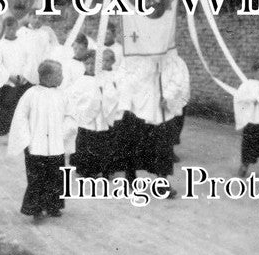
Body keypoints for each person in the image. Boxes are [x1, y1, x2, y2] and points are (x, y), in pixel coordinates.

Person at [7, 60, 77, 220]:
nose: (62, 77)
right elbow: (20, 118)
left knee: (56, 176)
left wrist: (64, 132)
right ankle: (35, 208)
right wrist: (26, 139)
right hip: (35, 145)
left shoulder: (63, 94)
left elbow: (70, 116)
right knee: (37, 177)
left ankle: (53, 206)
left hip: (56, 143)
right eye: (59, 74)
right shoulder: (31, 94)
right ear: (48, 76)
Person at [117, 48, 190, 199]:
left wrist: (168, 96)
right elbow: (123, 77)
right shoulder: (134, 56)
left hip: (161, 110)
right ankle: (130, 176)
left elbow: (180, 79)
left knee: (163, 146)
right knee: (134, 143)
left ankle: (162, 183)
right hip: (138, 107)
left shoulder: (173, 58)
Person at [69, 51, 117, 179]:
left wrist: (104, 94)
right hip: (87, 119)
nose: (90, 66)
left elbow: (112, 95)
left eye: (93, 63)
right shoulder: (80, 80)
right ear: (84, 64)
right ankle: (87, 170)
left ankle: (104, 170)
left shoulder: (104, 79)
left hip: (101, 117)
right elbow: (74, 98)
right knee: (87, 144)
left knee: (102, 143)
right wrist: (91, 100)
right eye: (87, 63)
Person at [0, 16, 32, 136]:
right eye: (8, 29)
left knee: (20, 106)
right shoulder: (0, 45)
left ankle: (19, 132)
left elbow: (29, 60)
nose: (11, 32)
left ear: (17, 27)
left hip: (21, 78)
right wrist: (8, 76)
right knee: (6, 105)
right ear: (4, 29)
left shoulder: (23, 42)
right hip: (7, 80)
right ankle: (5, 132)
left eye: (13, 29)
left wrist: (24, 75)